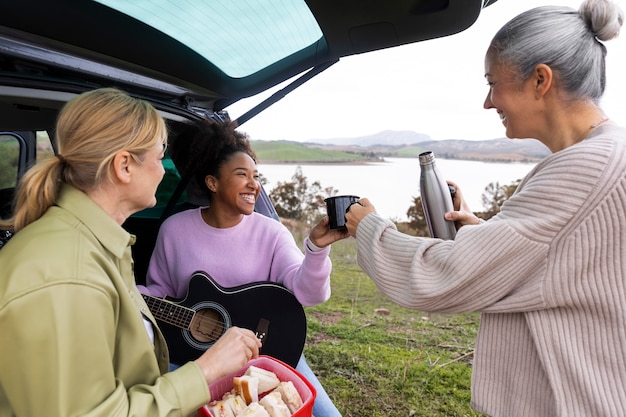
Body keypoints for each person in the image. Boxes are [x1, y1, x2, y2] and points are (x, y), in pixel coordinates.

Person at [344, 1, 626, 416]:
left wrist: (369, 229)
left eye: (493, 83)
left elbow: (449, 275)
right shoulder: (611, 153)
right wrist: (482, 229)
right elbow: (568, 262)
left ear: (540, 80)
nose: (488, 102)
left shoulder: (585, 168)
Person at [0, 88, 261, 417]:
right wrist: (206, 370)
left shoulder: (98, 245)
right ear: (124, 166)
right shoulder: (70, 274)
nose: (164, 170)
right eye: (157, 157)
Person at [140, 119, 349, 417]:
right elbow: (161, 292)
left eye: (256, 175)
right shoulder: (174, 230)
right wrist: (128, 294)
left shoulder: (271, 233)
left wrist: (316, 248)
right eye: (242, 175)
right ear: (212, 183)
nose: (255, 184)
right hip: (198, 355)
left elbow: (308, 293)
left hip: (269, 353)